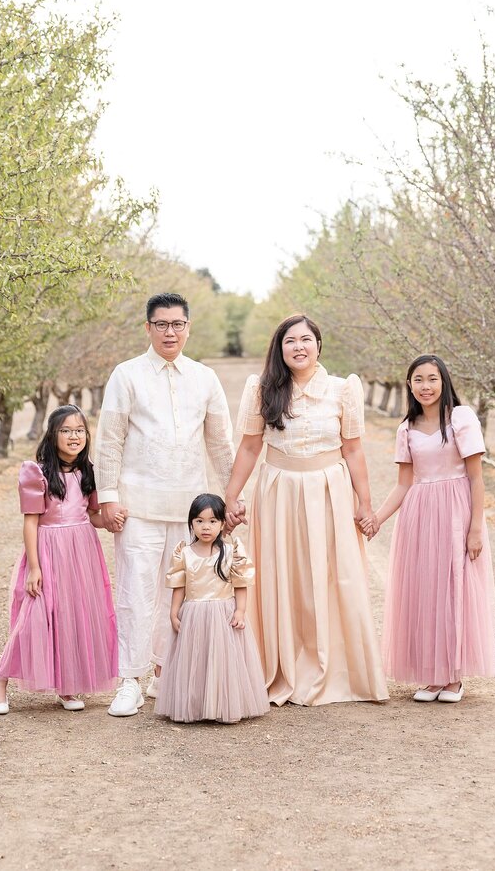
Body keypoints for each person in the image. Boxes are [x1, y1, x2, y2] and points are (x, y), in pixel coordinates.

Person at [225, 314, 388, 707]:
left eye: (306, 339)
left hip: (329, 491)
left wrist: (365, 503)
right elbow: (249, 447)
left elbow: (353, 450)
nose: (298, 347)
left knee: (334, 576)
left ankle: (334, 669)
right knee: (281, 576)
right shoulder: (263, 389)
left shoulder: (342, 389)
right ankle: (280, 666)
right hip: (278, 490)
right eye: (290, 341)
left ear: (318, 345)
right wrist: (231, 496)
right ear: (279, 349)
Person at [96, 292, 236, 717]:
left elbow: (220, 444)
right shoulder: (127, 374)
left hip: (190, 510)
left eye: (177, 324)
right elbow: (109, 439)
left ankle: (164, 671)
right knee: (136, 593)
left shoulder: (205, 378)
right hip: (137, 506)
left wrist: (234, 496)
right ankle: (130, 680)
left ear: (188, 327)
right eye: (161, 324)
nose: (170, 331)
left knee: (180, 592)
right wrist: (108, 498)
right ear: (148, 328)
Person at [370, 354, 495, 702]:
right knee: (425, 591)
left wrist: (475, 528)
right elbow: (403, 484)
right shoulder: (406, 428)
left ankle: (453, 677)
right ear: (409, 385)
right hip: (419, 513)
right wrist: (377, 519)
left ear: (444, 382)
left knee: (453, 587)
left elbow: (476, 478)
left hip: (456, 509)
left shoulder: (461, 418)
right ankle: (432, 676)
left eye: (432, 379)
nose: (425, 386)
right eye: (418, 380)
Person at [0, 405, 118, 714]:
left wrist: (113, 520)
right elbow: (31, 521)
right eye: (67, 430)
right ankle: (0, 681)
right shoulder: (37, 472)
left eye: (80, 431)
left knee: (74, 615)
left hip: (82, 551)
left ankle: (68, 686)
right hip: (48, 550)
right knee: (34, 617)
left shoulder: (89, 470)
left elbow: (93, 516)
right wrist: (34, 567)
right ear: (53, 434)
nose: (74, 436)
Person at [154, 494, 269, 724]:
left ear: (222, 524)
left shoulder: (230, 552)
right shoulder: (184, 553)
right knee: (195, 660)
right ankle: (194, 705)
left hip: (223, 614)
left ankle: (224, 705)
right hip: (194, 614)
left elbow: (240, 584)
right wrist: (173, 612)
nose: (206, 527)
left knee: (223, 660)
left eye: (213, 521)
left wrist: (240, 611)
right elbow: (179, 586)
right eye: (199, 521)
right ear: (191, 523)